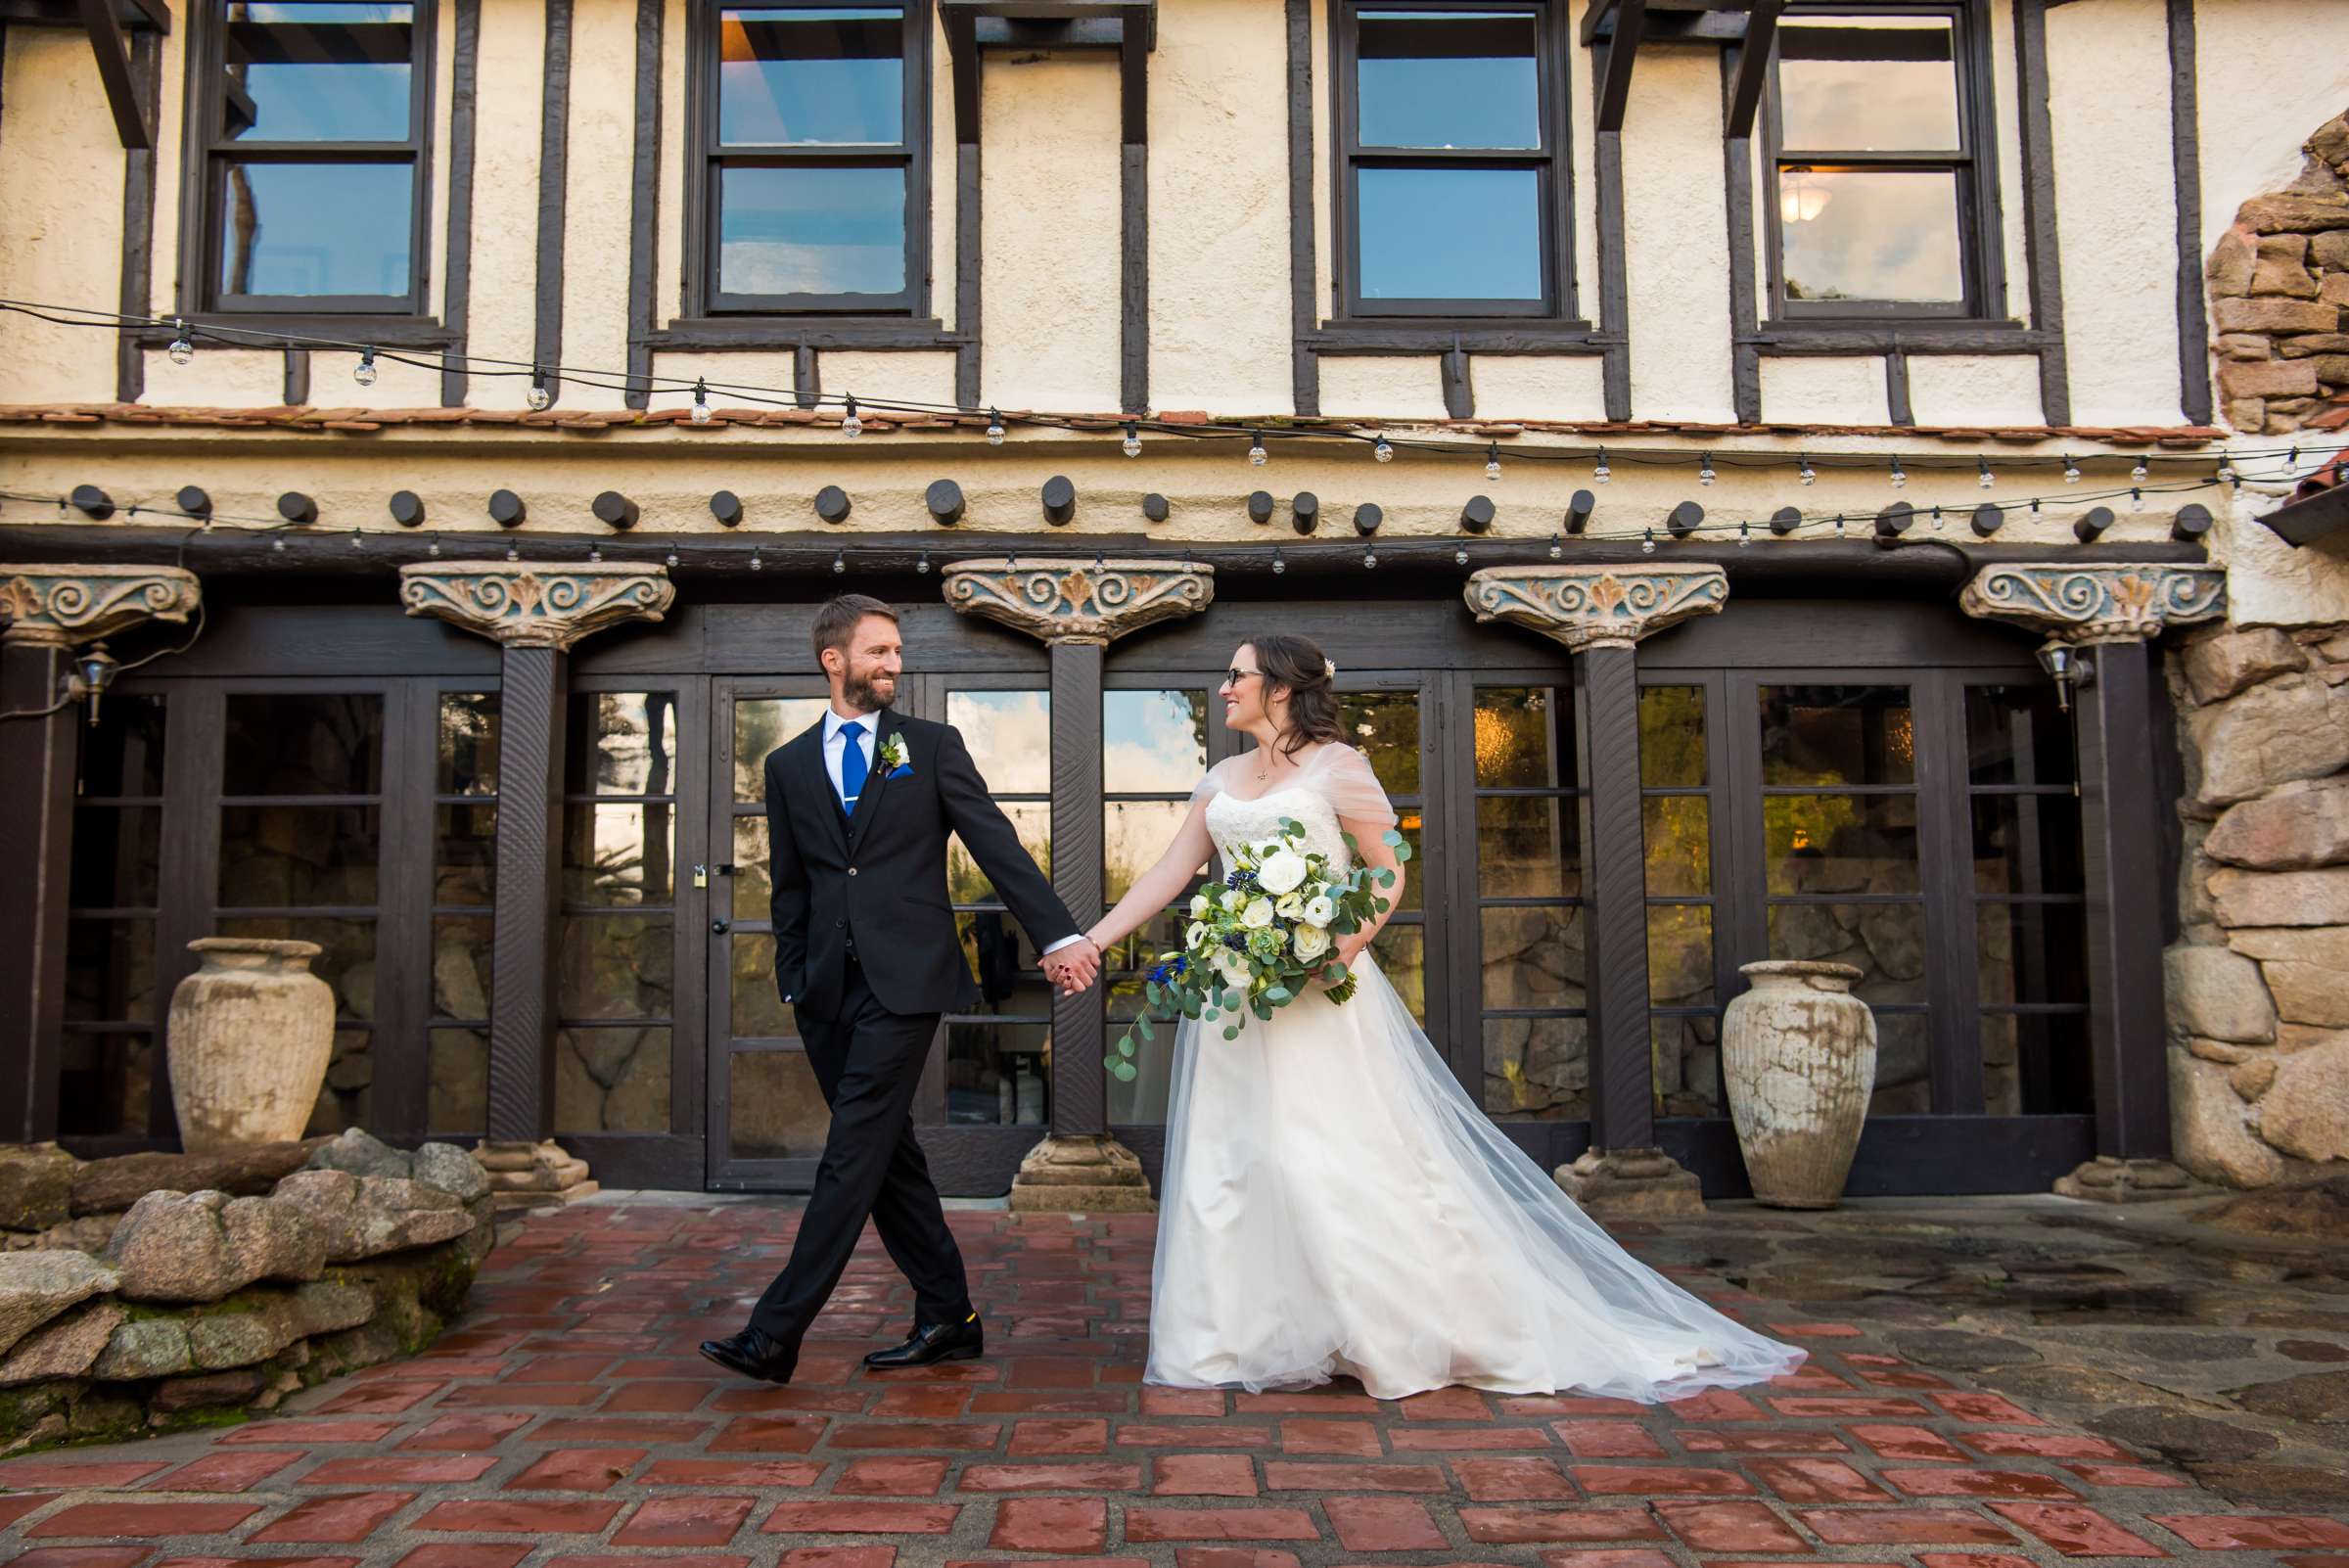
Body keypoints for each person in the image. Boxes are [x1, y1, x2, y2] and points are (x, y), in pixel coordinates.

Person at [1082, 633, 1808, 1402]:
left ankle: (1386, 1328)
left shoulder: (1339, 766)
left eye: (1237, 676)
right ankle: (1235, 1335)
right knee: (1234, 1161)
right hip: (1238, 996)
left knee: (1324, 1155)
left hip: (1320, 992)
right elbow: (1171, 870)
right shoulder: (1223, 775)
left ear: (1282, 689)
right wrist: (1092, 942)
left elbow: (1388, 865)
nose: (1225, 688)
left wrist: (1338, 942)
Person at [700, 595, 1101, 1385]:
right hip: (823, 989)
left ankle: (775, 1333)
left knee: (851, 1154)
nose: (893, 664)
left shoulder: (930, 746)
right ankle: (949, 1316)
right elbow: (791, 885)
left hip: (905, 981)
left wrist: (1057, 935)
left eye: (896, 651)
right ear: (834, 660)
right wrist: (792, 977)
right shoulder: (786, 765)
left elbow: (996, 843)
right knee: (889, 1161)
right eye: (878, 652)